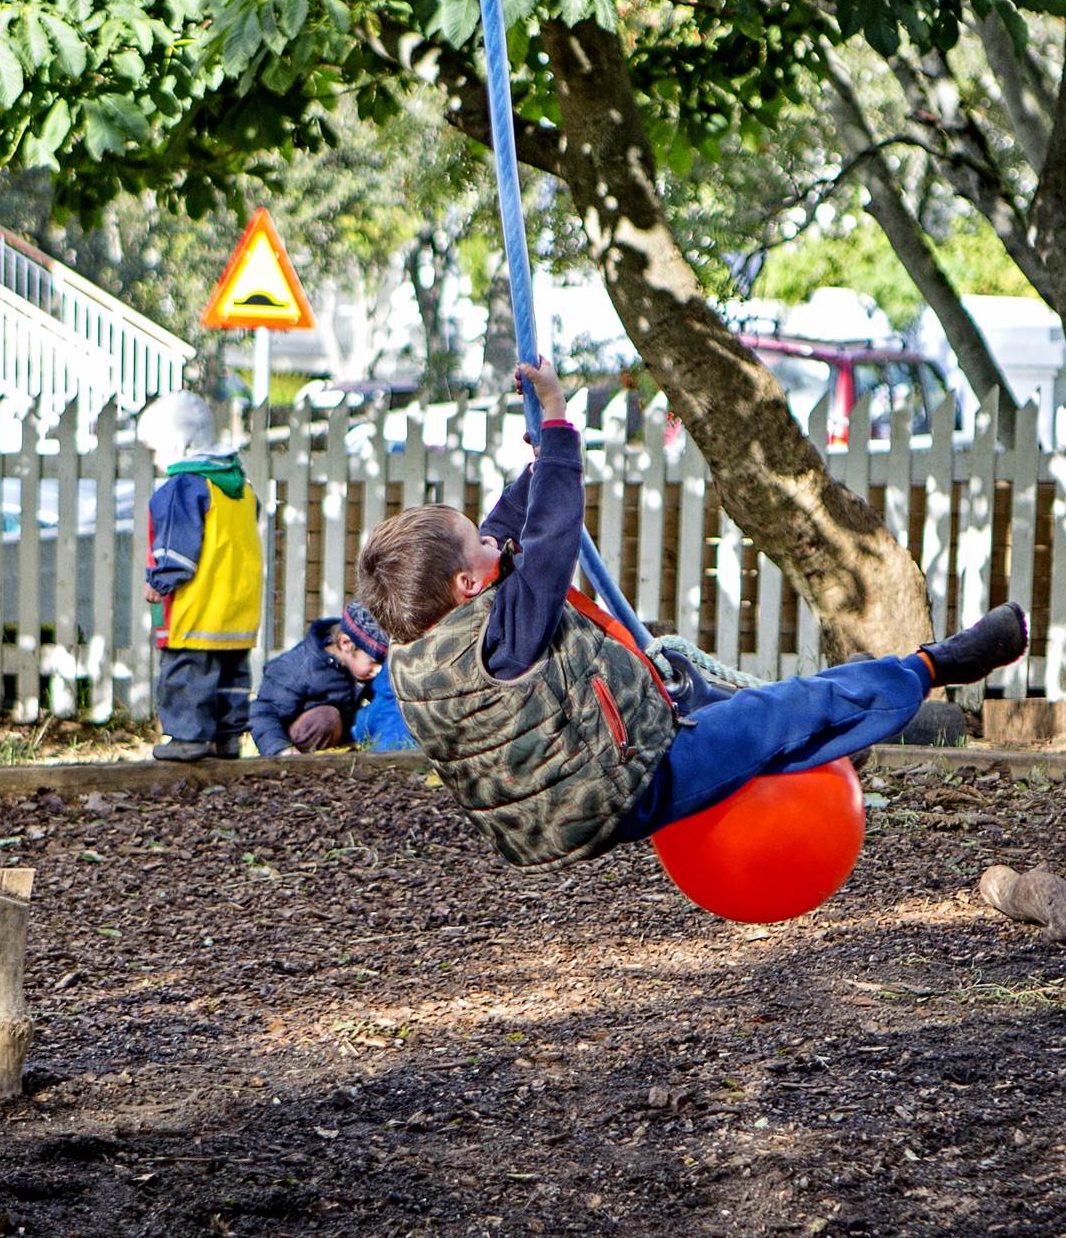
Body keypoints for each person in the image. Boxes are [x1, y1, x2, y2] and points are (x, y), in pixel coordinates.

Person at [355, 356, 1029, 871]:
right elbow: (550, 538)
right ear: (469, 583)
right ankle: (934, 665)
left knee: (686, 672)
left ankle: (855, 718)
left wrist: (536, 459)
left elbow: (509, 534)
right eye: (477, 540)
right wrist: (558, 428)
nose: (491, 536)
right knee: (783, 711)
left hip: (554, 810)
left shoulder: (427, 649)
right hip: (624, 786)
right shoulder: (501, 634)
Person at [139, 390, 262, 762]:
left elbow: (178, 544)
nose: (158, 460)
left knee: (187, 674)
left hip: (198, 608)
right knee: (231, 678)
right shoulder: (239, 486)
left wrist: (161, 579)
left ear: (179, 444)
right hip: (237, 609)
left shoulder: (184, 487)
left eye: (157, 450)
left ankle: (188, 737)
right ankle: (227, 738)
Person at [250, 602, 387, 756]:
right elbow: (264, 713)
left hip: (343, 739)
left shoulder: (358, 668)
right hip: (301, 745)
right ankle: (306, 766)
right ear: (346, 644)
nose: (379, 669)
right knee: (325, 719)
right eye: (374, 662)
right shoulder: (297, 668)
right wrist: (281, 749)